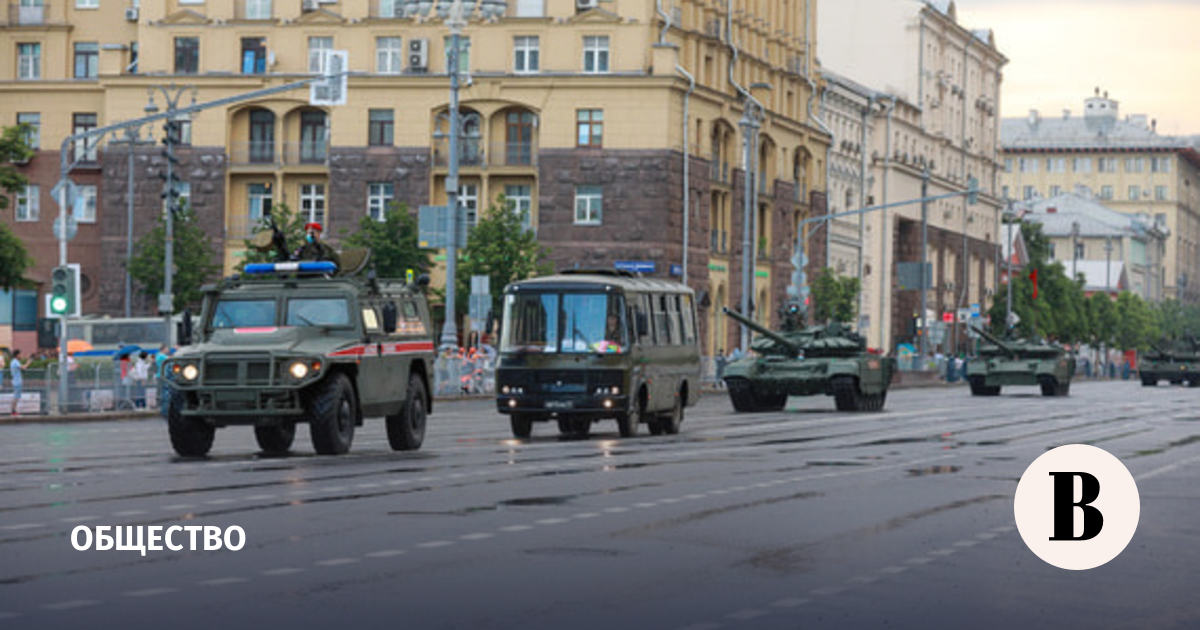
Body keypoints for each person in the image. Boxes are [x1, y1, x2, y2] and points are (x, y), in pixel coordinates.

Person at [9, 349, 26, 416]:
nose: (20, 356)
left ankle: (14, 411)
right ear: (17, 355)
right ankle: (13, 411)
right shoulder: (15, 362)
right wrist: (29, 362)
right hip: (17, 381)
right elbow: (24, 367)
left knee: (16, 397)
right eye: (20, 354)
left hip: (15, 381)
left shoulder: (13, 361)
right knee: (16, 397)